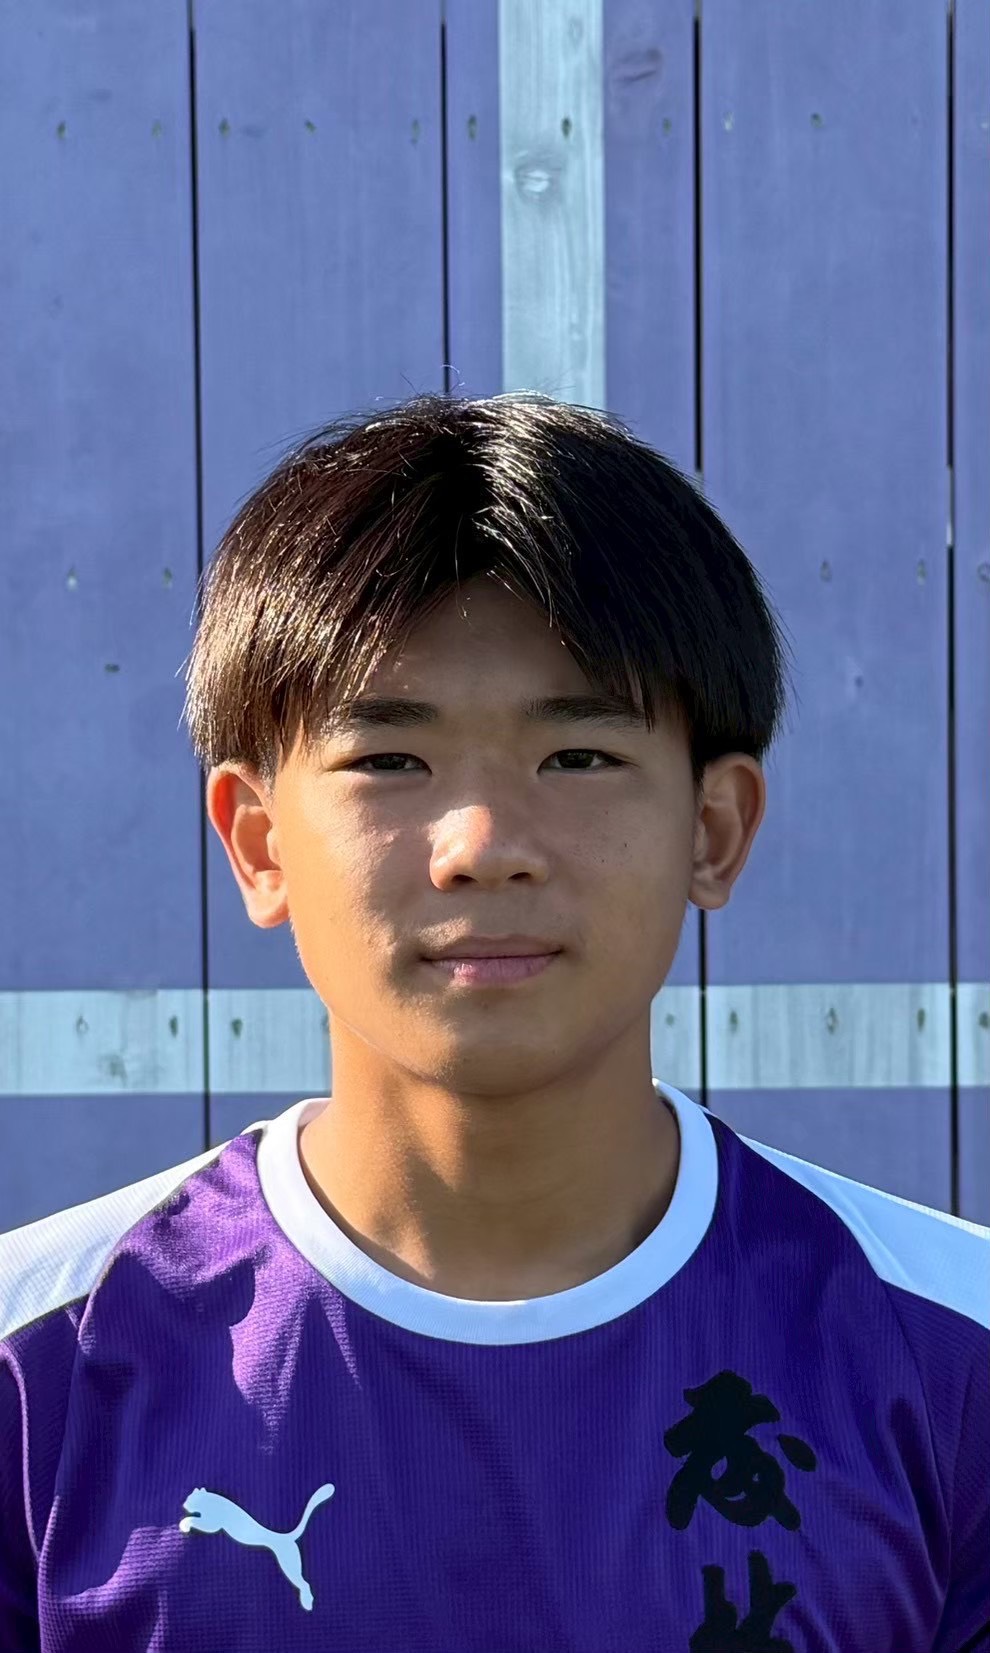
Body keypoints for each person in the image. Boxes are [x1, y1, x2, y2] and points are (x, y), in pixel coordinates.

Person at [1, 391, 986, 1650]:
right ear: (259, 842)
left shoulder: (951, 1355)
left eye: (577, 757)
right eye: (390, 762)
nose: (481, 845)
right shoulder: (38, 1364)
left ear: (714, 829)